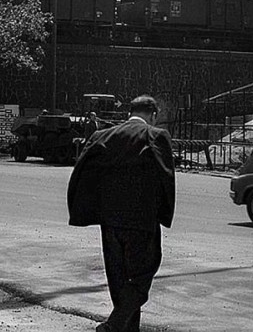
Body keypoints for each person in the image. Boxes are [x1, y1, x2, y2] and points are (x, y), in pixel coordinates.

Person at [67, 95, 175, 332]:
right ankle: (114, 325)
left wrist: (89, 209)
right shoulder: (155, 136)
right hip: (141, 221)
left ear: (130, 112)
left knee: (118, 279)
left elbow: (82, 170)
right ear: (153, 115)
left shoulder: (102, 136)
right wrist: (163, 214)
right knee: (141, 276)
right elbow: (165, 177)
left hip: (109, 221)